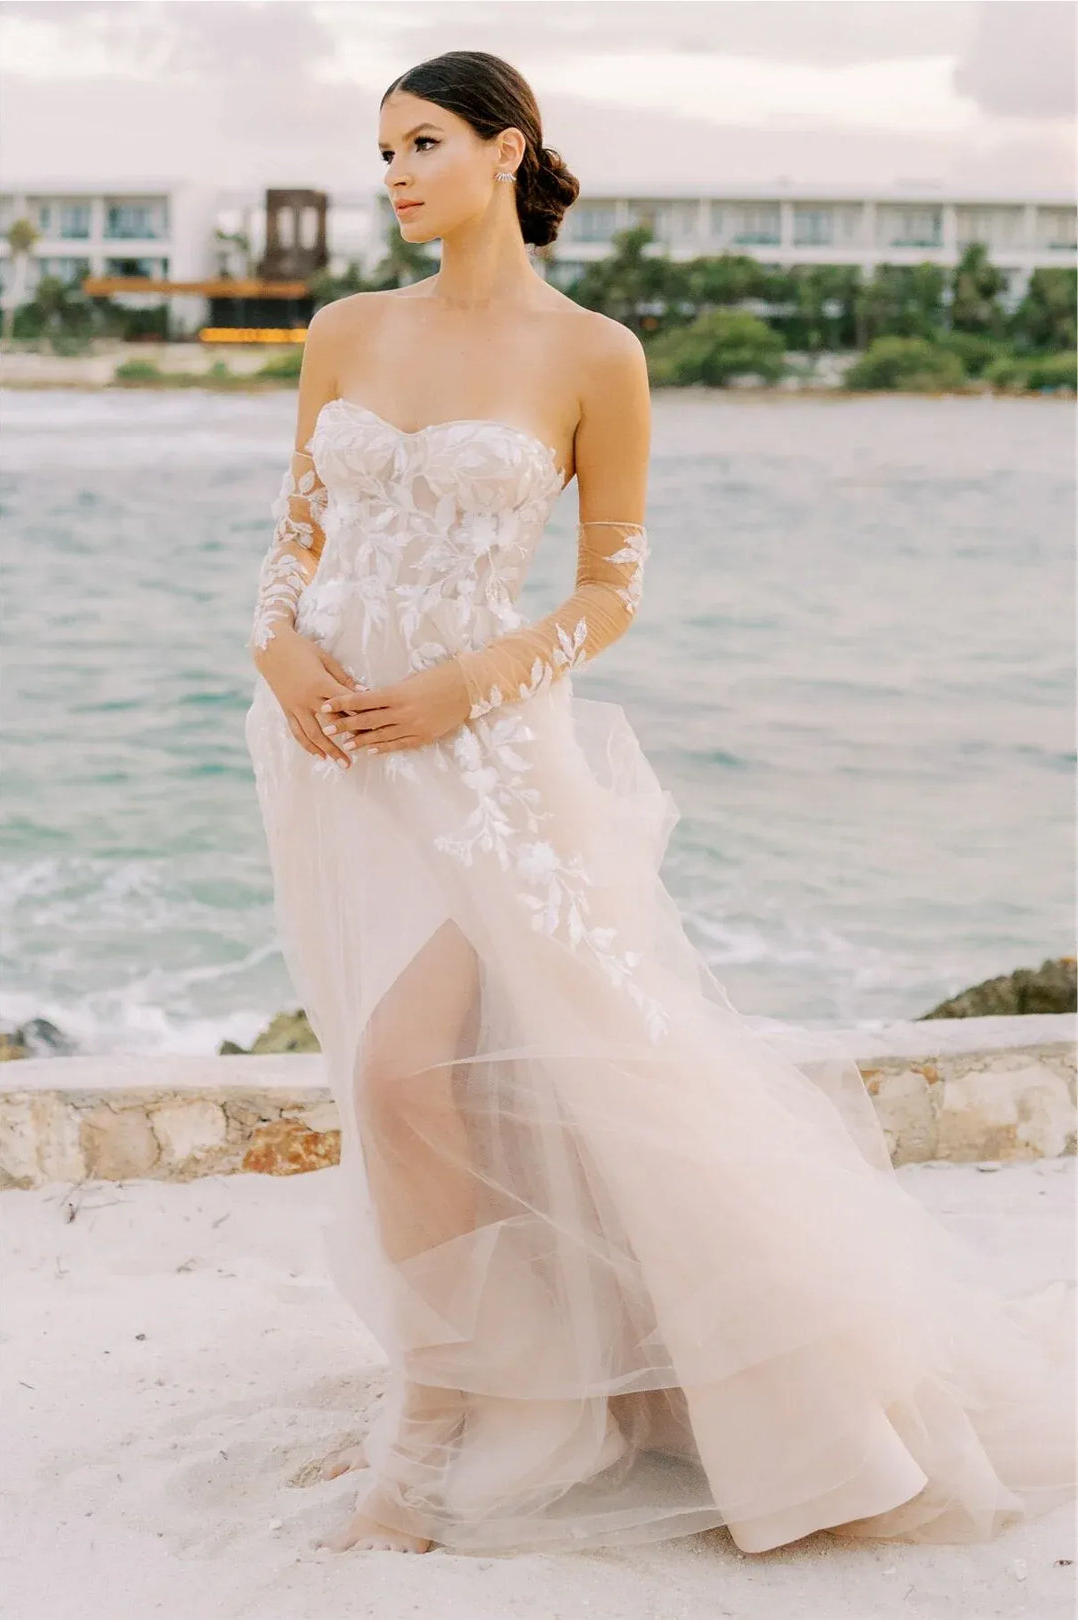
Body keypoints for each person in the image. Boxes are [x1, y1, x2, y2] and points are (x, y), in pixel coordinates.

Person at [244, 50, 1075, 1559]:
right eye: (382, 152)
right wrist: (281, 651)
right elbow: (292, 542)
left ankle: (430, 1427)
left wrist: (474, 680)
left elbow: (614, 587)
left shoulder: (593, 355)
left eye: (423, 143)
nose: (395, 176)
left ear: (509, 152)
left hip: (489, 760)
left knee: (413, 1074)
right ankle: (496, 1380)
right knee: (431, 1077)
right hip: (335, 754)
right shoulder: (346, 329)